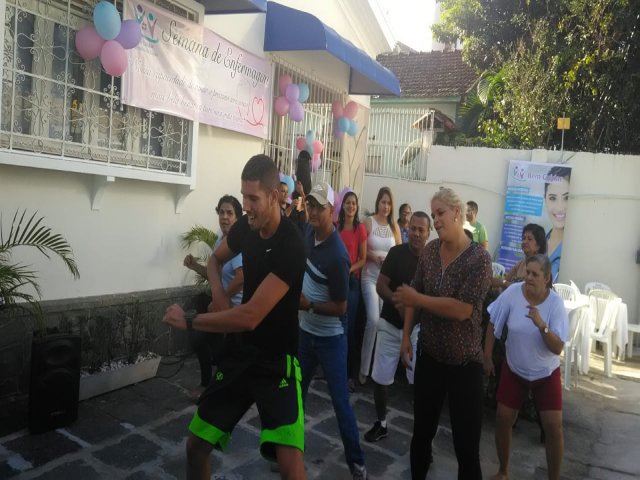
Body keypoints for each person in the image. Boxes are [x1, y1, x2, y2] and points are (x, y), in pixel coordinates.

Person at [163, 154, 307, 480]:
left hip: (277, 361)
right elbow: (215, 260)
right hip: (241, 354)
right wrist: (218, 292)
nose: (247, 207)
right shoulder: (247, 227)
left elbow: (251, 316)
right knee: (195, 446)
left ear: (274, 196)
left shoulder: (291, 245)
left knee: (290, 468)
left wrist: (191, 321)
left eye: (253, 199)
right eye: (244, 197)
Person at [393, 187, 492, 480]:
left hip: (465, 365)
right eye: (433, 214)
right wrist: (405, 337)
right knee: (421, 435)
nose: (435, 220)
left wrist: (417, 299)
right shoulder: (430, 251)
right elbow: (414, 293)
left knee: (466, 447)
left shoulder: (479, 259)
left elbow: (462, 309)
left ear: (457, 213)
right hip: (431, 357)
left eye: (440, 213)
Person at [298, 182, 368, 480]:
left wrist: (309, 305)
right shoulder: (307, 233)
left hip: (330, 339)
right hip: (305, 334)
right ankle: (291, 455)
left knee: (340, 403)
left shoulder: (338, 256)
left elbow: (341, 307)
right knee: (295, 397)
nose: (313, 211)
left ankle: (357, 463)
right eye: (311, 205)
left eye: (319, 207)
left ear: (332, 212)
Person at [484, 254, 568, 480]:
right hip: (515, 369)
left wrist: (542, 326)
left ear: (546, 278)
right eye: (527, 272)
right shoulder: (513, 293)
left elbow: (558, 347)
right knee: (503, 418)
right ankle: (503, 471)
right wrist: (487, 356)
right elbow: (492, 322)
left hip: (545, 374)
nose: (528, 277)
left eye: (535, 274)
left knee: (554, 427)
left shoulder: (555, 304)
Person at [364, 212, 431, 443]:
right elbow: (381, 285)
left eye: (421, 230)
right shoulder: (396, 253)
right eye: (413, 228)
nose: (416, 233)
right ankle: (381, 423)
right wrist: (398, 302)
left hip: (417, 331)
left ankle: (422, 434)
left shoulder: (432, 261)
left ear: (428, 233)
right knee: (380, 379)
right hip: (391, 324)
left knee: (420, 384)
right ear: (407, 229)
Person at [183, 195, 244, 395]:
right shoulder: (221, 239)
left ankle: (210, 386)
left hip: (234, 307)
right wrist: (195, 266)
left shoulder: (237, 243)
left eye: (229, 213)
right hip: (221, 303)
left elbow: (241, 278)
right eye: (221, 212)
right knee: (200, 338)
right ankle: (209, 384)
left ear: (237, 217)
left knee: (204, 340)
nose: (224, 217)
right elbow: (215, 275)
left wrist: (220, 298)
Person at [359, 187, 400, 384]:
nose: (386, 206)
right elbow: (361, 250)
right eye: (383, 202)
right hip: (369, 278)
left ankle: (378, 370)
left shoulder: (394, 227)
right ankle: (363, 369)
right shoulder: (369, 222)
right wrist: (374, 257)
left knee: (384, 325)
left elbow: (399, 253)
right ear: (378, 202)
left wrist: (390, 262)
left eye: (389, 203)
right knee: (373, 320)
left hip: (387, 282)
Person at [337, 191, 367, 389]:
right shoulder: (336, 227)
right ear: (343, 206)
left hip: (351, 282)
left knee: (349, 329)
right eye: (347, 203)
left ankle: (349, 375)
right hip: (336, 281)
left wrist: (348, 269)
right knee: (335, 327)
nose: (350, 206)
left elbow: (363, 259)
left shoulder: (360, 229)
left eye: (353, 203)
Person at [492, 223, 547, 289]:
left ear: (538, 245)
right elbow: (506, 280)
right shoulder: (520, 264)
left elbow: (526, 289)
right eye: (524, 238)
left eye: (529, 239)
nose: (525, 241)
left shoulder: (541, 266)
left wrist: (504, 283)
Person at [544, 167, 571, 282]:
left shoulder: (573, 247)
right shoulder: (540, 242)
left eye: (566, 198)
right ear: (545, 199)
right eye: (552, 198)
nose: (560, 208)